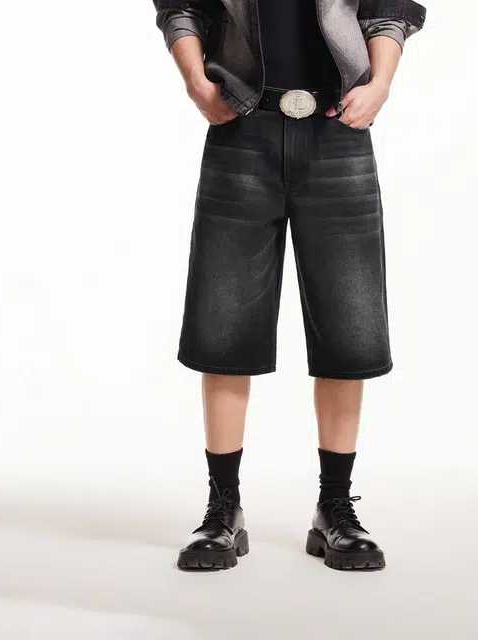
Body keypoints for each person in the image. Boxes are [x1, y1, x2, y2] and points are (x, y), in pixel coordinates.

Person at [151, 0, 426, 571]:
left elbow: (388, 9)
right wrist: (195, 79)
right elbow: (180, 5)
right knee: (224, 321)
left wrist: (380, 84)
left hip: (339, 128)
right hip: (240, 129)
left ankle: (335, 509)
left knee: (349, 323)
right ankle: (223, 509)